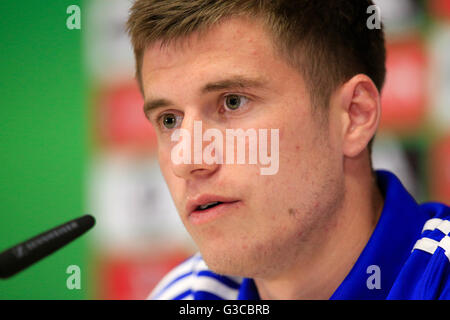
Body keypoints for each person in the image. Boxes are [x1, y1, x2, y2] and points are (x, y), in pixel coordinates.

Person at [126, 0, 450, 300]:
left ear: (354, 116)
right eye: (169, 120)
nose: (188, 160)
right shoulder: (184, 295)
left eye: (233, 102)